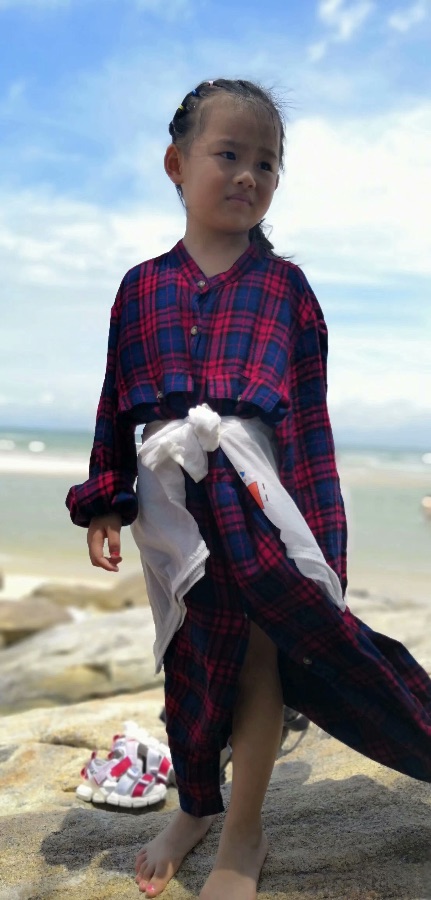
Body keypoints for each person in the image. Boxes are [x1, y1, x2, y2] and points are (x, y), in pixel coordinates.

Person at [66, 78, 431, 900]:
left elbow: (307, 423)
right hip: (170, 506)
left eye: (266, 163)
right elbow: (116, 399)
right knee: (192, 658)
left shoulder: (285, 290)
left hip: (258, 500)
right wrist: (105, 500)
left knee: (264, 651)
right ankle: (196, 804)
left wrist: (323, 546)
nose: (248, 174)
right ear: (176, 163)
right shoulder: (139, 286)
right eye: (228, 153)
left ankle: (243, 830)